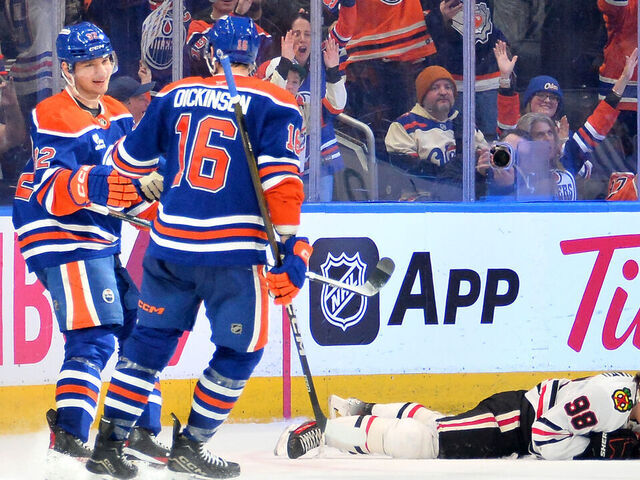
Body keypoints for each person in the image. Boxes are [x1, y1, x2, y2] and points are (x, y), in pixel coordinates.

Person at [85, 16, 310, 479]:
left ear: (212, 54)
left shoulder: (172, 94)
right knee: (241, 350)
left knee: (148, 343)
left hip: (168, 247)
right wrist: (292, 247)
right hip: (232, 253)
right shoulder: (277, 100)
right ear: (255, 54)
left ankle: (108, 446)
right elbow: (282, 183)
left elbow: (128, 162)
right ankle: (191, 444)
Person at [11, 22, 168, 475]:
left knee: (139, 333)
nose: (100, 72)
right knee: (95, 336)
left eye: (105, 62)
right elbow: (54, 191)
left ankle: (138, 429)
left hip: (97, 235)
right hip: (57, 233)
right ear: (67, 69)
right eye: (88, 65)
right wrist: (118, 185)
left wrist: (163, 202)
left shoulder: (118, 113)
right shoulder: (52, 114)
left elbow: (132, 185)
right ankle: (71, 436)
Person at [277, 372, 640, 461]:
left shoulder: (623, 390)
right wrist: (591, 449)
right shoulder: (618, 400)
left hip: (514, 415)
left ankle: (361, 410)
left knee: (436, 424)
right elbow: (544, 436)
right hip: (512, 423)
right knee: (426, 442)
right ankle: (324, 432)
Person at [258, 11, 346, 201]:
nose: (291, 86)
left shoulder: (305, 106)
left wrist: (332, 72)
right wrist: (284, 63)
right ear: (286, 37)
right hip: (276, 168)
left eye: (308, 34)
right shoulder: (270, 67)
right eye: (296, 33)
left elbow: (335, 107)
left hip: (313, 165)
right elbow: (268, 98)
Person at [424, 0, 509, 139]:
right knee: (457, 137)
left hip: (490, 78)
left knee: (493, 138)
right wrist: (440, 17)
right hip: (454, 80)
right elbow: (426, 31)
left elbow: (493, 25)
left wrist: (503, 46)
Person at [384, 65, 489, 177]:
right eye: (435, 88)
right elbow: (411, 175)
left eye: (448, 87)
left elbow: (484, 157)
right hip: (421, 193)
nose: (443, 92)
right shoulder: (403, 126)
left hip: (459, 192)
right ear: (422, 96)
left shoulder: (464, 124)